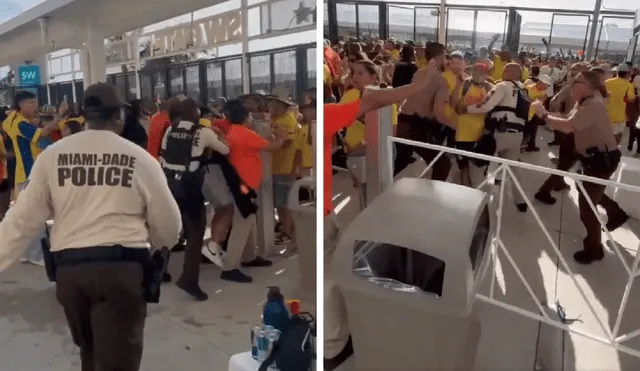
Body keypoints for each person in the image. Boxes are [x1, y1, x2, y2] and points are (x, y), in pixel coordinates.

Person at [0, 82, 181, 370]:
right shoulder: (139, 159)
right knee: (117, 361)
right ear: (120, 116)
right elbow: (170, 227)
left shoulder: (53, 156)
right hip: (122, 272)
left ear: (85, 115)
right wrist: (159, 244)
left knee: (91, 354)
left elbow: (21, 219)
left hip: (71, 275)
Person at [324, 59, 440, 370]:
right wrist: (417, 86)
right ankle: (334, 342)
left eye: (361, 73)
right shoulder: (335, 109)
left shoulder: (325, 115)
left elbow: (379, 105)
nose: (355, 77)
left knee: (365, 215)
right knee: (332, 273)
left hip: (335, 197)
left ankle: (338, 334)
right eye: (355, 73)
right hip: (333, 193)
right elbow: (372, 102)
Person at [531, 70, 629, 265]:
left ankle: (594, 249)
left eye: (577, 81)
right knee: (587, 191)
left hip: (602, 160)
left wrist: (543, 115)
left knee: (586, 207)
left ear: (588, 86)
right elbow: (568, 119)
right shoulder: (584, 101)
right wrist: (549, 114)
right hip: (593, 158)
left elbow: (568, 126)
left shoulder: (592, 103)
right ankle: (616, 213)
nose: (572, 84)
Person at [159, 98, 229, 301]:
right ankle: (189, 278)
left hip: (169, 183)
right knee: (195, 231)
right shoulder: (203, 132)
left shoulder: (169, 130)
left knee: (169, 229)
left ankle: (159, 269)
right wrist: (218, 136)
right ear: (194, 113)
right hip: (190, 185)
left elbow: (163, 155)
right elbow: (225, 150)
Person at [460, 63, 529, 213]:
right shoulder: (523, 90)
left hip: (499, 132)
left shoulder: (503, 85)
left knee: (478, 163)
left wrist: (466, 109)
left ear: (507, 72)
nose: (502, 73)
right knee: (513, 168)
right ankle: (521, 200)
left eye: (504, 70)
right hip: (517, 135)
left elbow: (486, 105)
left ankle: (475, 196)